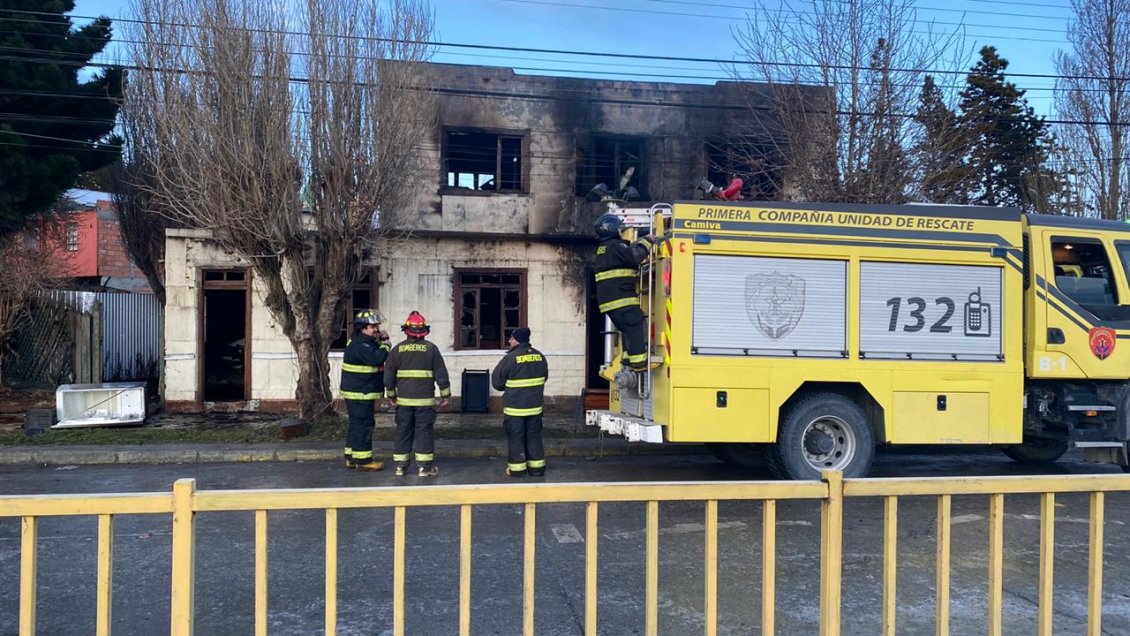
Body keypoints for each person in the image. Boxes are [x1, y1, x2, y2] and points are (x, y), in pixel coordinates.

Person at [384, 310, 451, 477]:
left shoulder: (397, 350)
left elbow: (389, 376)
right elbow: (441, 374)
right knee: (424, 432)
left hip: (404, 402)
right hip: (425, 402)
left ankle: (401, 466)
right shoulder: (431, 349)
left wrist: (391, 396)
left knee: (403, 431)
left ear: (406, 330)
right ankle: (425, 468)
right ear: (424, 331)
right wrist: (445, 395)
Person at [593, 213, 653, 371]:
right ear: (611, 229)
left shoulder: (603, 249)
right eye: (618, 228)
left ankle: (627, 360)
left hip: (610, 301)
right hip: (622, 298)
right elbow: (634, 258)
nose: (620, 231)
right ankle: (639, 364)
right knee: (635, 324)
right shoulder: (616, 246)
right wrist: (647, 241)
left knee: (627, 328)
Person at [491, 327, 548, 478]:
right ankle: (537, 469)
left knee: (516, 438)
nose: (509, 341)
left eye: (511, 338)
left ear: (516, 340)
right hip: (535, 408)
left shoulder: (510, 358)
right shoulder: (540, 356)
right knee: (534, 437)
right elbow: (545, 378)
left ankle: (517, 470)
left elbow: (497, 383)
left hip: (515, 409)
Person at [339, 309, 391, 471]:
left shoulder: (360, 341)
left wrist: (380, 341)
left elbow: (372, 350)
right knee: (364, 425)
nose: (376, 329)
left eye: (376, 326)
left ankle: (351, 457)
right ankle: (363, 460)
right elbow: (376, 358)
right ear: (362, 327)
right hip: (361, 392)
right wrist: (387, 345)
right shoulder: (361, 344)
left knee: (356, 424)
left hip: (358, 391)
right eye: (372, 326)